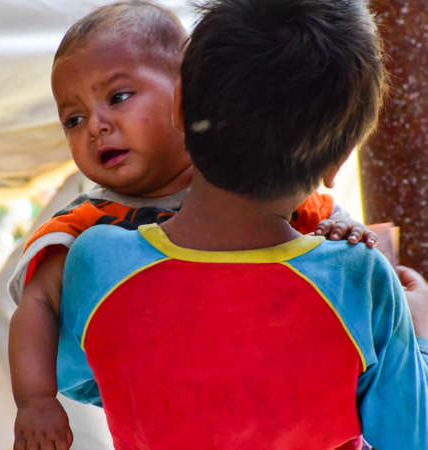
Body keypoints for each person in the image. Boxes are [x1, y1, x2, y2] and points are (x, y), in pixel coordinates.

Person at [55, 0, 428, 448]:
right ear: (339, 163)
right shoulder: (361, 282)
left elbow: (83, 377)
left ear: (178, 108)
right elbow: (409, 434)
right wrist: (418, 333)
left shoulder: (96, 261)